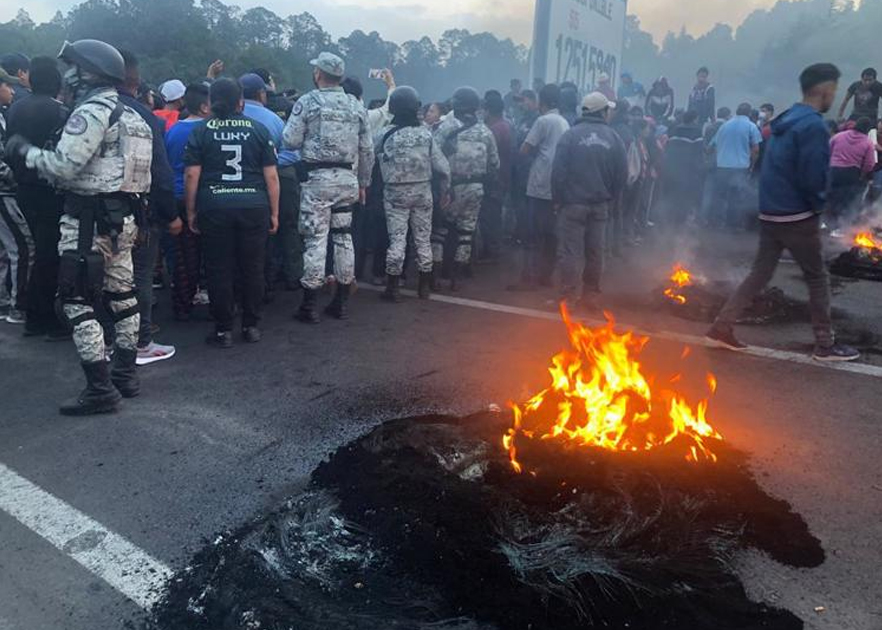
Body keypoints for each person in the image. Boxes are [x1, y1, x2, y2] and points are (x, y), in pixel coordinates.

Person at [5, 39, 154, 415]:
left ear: (88, 72)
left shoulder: (91, 111)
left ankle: (100, 389)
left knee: (74, 299)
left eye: (72, 67)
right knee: (123, 296)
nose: (67, 76)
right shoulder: (135, 116)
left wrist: (24, 150)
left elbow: (63, 166)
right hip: (126, 218)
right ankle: (125, 374)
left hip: (87, 220)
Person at [707, 63, 859, 362]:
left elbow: (770, 166)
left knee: (759, 273)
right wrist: (817, 206)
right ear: (824, 88)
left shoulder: (783, 120)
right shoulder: (813, 125)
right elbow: (813, 173)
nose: (835, 95)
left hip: (771, 211)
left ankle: (722, 325)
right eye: (834, 89)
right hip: (798, 216)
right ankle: (825, 344)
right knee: (817, 277)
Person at [184, 78, 280, 348]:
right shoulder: (259, 130)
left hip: (214, 207)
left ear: (212, 101)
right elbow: (271, 177)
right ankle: (251, 326)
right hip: (254, 206)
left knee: (219, 269)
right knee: (253, 268)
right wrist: (274, 212)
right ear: (241, 102)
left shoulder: (201, 130)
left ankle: (223, 330)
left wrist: (191, 211)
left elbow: (192, 174)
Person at [283, 51, 374, 323]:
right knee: (343, 236)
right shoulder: (355, 105)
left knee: (316, 239)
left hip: (317, 181)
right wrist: (363, 183)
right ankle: (341, 302)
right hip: (347, 179)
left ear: (318, 74)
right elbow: (367, 149)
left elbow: (290, 140)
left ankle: (309, 305)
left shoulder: (308, 101)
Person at [118, 49, 178, 366]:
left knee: (106, 276)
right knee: (139, 275)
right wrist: (170, 214)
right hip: (139, 211)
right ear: (136, 80)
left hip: (92, 213)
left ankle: (107, 340)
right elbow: (161, 173)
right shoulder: (144, 117)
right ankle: (140, 341)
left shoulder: (83, 110)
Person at [5, 58, 67, 336]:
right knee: (49, 255)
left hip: (23, 189)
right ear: (56, 84)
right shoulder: (60, 112)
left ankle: (34, 315)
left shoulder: (16, 108)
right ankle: (43, 318)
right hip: (50, 189)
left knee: (36, 252)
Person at [551, 92, 627, 309]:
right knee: (595, 252)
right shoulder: (614, 138)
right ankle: (590, 296)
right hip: (600, 205)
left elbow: (558, 172)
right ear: (602, 112)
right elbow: (621, 175)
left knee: (570, 252)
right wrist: (612, 199)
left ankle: (567, 298)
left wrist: (557, 200)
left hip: (572, 205)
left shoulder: (570, 136)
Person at [375, 86, 450, 302]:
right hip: (422, 192)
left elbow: (368, 156)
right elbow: (442, 166)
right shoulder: (425, 134)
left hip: (395, 194)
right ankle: (423, 288)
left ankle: (393, 288)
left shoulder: (385, 133)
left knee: (397, 239)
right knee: (423, 239)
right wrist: (446, 189)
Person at [239, 73, 301, 297]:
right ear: (261, 93)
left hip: (240, 185)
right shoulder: (273, 120)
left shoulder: (227, 117)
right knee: (286, 226)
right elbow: (292, 154)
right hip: (276, 179)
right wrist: (269, 163)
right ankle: (292, 277)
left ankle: (260, 282)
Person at [432, 86, 499, 290]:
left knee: (440, 231)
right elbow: (494, 164)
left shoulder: (446, 127)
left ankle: (434, 275)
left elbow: (433, 155)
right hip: (476, 188)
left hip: (450, 188)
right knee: (466, 232)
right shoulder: (485, 131)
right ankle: (456, 277)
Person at [509, 83, 568, 291]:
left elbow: (525, 149)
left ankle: (528, 277)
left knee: (532, 232)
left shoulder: (543, 121)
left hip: (539, 183)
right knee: (551, 233)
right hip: (556, 185)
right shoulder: (564, 122)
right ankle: (546, 276)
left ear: (541, 101)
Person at [165, 83, 209, 322]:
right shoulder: (208, 130)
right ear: (204, 107)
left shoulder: (172, 130)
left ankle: (182, 304)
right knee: (207, 251)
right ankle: (207, 295)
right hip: (200, 196)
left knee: (182, 255)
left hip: (176, 195)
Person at [0, 69, 35, 327]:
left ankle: (5, 299)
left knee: (6, 250)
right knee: (23, 248)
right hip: (5, 192)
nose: (12, 90)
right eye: (7, 85)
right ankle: (19, 305)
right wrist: (17, 176)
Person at [706, 103, 762, 228]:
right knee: (736, 197)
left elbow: (710, 148)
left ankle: (716, 222)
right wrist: (752, 165)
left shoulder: (724, 126)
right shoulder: (751, 126)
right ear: (748, 113)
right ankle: (732, 225)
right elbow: (756, 150)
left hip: (722, 167)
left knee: (720, 195)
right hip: (740, 167)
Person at [480, 90, 513, 261]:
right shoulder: (506, 125)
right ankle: (492, 249)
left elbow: (487, 157)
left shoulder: (494, 130)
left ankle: (491, 251)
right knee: (493, 215)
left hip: (494, 180)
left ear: (488, 111)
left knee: (490, 216)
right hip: (503, 177)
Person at [827, 117, 876, 232]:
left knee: (831, 197)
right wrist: (862, 174)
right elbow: (870, 164)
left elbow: (828, 150)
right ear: (868, 130)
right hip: (851, 173)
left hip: (833, 171)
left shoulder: (839, 136)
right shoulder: (867, 142)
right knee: (846, 200)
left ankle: (827, 223)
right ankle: (839, 228)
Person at [658, 110, 705, 226]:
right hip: (688, 171)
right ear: (694, 119)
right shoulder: (697, 132)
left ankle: (668, 220)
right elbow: (699, 154)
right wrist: (700, 171)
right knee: (685, 196)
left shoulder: (673, 129)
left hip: (672, 167)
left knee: (672, 195)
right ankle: (680, 222)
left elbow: (668, 148)